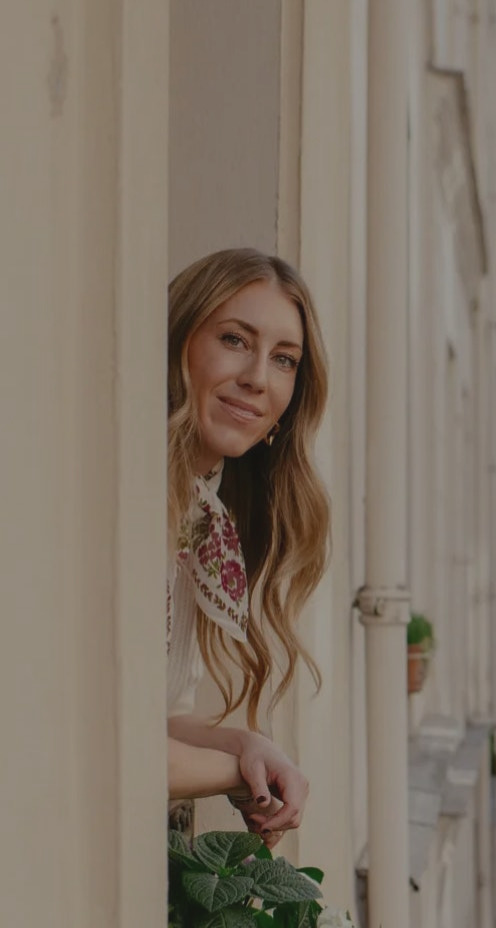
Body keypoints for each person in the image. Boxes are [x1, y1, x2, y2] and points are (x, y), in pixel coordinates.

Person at [165, 249, 331, 845]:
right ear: (178, 341)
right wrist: (241, 773)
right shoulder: (121, 498)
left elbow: (163, 719)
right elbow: (104, 737)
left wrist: (247, 744)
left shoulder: (202, 510)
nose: (259, 377)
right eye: (235, 340)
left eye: (284, 359)